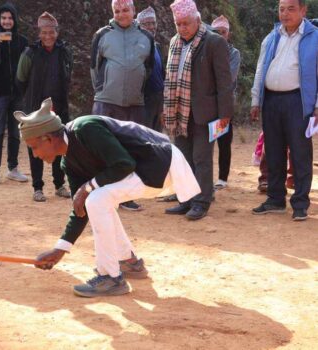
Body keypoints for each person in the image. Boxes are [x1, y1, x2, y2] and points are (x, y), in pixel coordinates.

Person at [15, 98, 200, 297]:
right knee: (96, 200)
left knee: (96, 198)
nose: (34, 155)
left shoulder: (85, 129)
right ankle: (129, 262)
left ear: (48, 138)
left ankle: (110, 277)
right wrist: (60, 249)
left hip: (159, 163)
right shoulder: (68, 163)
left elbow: (124, 163)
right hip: (147, 169)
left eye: (34, 147)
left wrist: (88, 186)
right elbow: (81, 209)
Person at [163, 0, 233, 220]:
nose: (182, 28)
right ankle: (186, 200)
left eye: (186, 23)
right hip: (179, 111)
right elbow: (169, 79)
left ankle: (201, 202)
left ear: (197, 19)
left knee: (201, 158)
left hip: (206, 113)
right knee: (183, 158)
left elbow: (224, 81)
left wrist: (225, 114)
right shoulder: (175, 42)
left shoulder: (214, 42)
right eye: (178, 24)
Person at [250, 0, 318, 221]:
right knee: (274, 152)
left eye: (291, 9)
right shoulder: (272, 37)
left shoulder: (315, 37)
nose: (285, 14)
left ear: (303, 10)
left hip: (298, 102)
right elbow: (261, 68)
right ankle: (276, 199)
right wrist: (255, 100)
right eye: (281, 9)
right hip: (271, 101)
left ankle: (300, 203)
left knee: (300, 153)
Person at [90, 0, 155, 211]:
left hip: (135, 104)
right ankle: (102, 196)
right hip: (106, 103)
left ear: (133, 11)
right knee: (103, 149)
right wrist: (102, 90)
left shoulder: (146, 37)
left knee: (130, 150)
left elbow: (149, 68)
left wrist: (138, 89)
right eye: (117, 11)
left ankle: (126, 197)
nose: (121, 14)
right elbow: (94, 67)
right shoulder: (102, 35)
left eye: (125, 10)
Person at [16, 12, 73, 202]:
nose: (48, 36)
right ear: (39, 33)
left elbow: (68, 74)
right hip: (35, 109)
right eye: (44, 32)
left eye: (51, 32)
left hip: (59, 109)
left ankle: (59, 184)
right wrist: (31, 101)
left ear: (57, 33)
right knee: (36, 147)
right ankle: (37, 187)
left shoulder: (64, 52)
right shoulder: (29, 53)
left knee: (58, 145)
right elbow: (20, 80)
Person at [0, 3, 29, 187]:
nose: (7, 21)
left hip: (17, 94)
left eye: (10, 18)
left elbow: (26, 68)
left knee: (15, 133)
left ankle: (13, 168)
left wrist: (24, 88)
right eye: (3, 18)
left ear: (14, 20)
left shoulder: (22, 41)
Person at [211, 15, 241, 190]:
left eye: (223, 32)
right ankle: (204, 178)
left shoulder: (233, 53)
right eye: (217, 32)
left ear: (228, 34)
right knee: (205, 143)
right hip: (208, 105)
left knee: (223, 141)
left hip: (224, 104)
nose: (220, 35)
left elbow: (228, 79)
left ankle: (222, 178)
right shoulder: (207, 49)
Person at [137, 6, 165, 132]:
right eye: (147, 24)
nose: (151, 27)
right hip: (145, 100)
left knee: (158, 136)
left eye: (153, 23)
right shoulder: (136, 47)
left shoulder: (157, 46)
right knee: (145, 136)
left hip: (159, 100)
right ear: (139, 26)